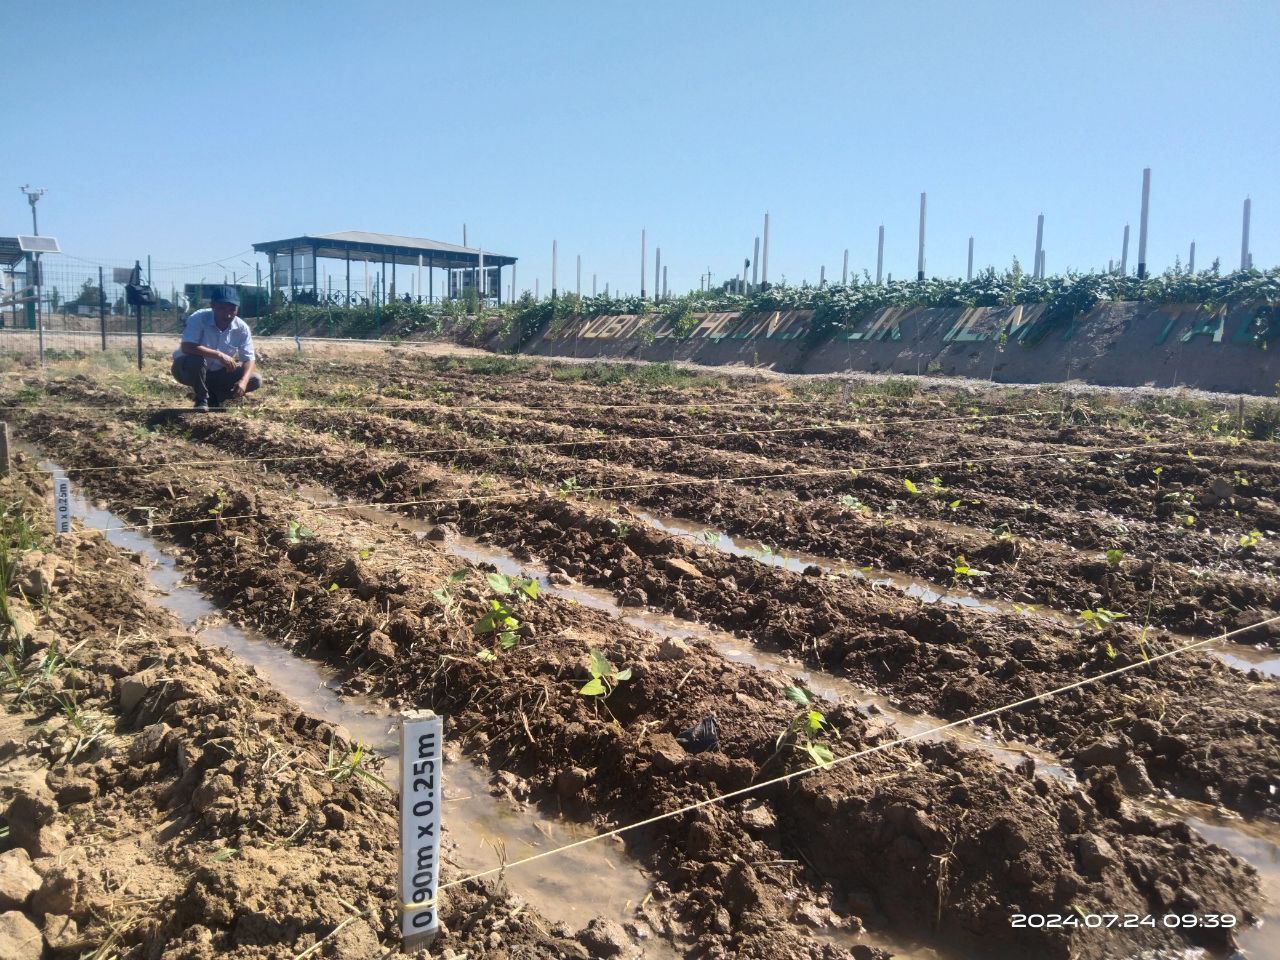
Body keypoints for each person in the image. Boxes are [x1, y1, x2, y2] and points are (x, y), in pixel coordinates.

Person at [171, 286, 261, 411]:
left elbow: (249, 359)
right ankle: (201, 400)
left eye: (232, 309)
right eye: (222, 309)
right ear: (213, 306)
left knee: (255, 379)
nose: (228, 314)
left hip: (217, 374)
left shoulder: (241, 328)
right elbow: (186, 346)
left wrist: (243, 382)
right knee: (196, 360)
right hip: (187, 370)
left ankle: (215, 397)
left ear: (237, 309)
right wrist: (218, 355)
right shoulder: (199, 318)